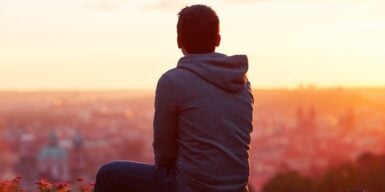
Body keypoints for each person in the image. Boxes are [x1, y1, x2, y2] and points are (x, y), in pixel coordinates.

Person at [94, 4, 253, 192]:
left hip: (189, 187)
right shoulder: (241, 82)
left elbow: (164, 154)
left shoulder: (173, 81)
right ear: (218, 39)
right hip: (238, 189)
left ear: (179, 41)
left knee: (108, 173)